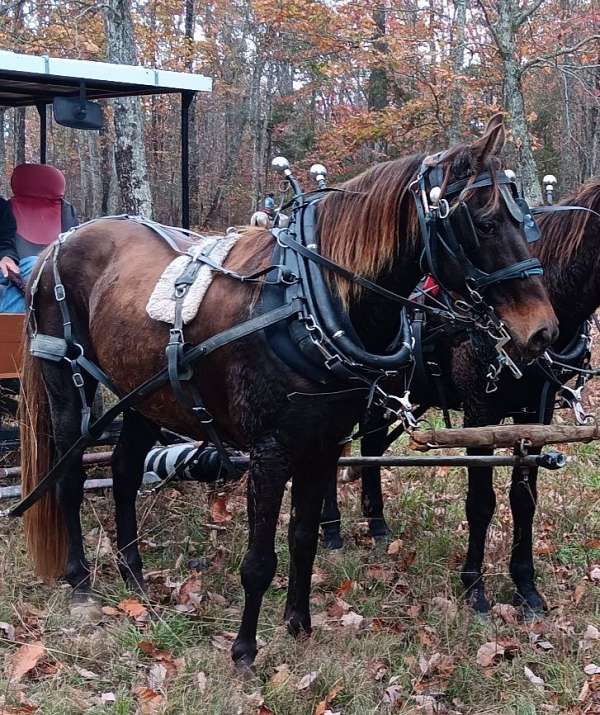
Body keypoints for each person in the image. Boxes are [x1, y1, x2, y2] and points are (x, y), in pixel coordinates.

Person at [0, 196, 23, 312]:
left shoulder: (2, 206)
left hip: (2, 270)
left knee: (33, 265)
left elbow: (6, 241)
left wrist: (7, 257)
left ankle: (9, 325)